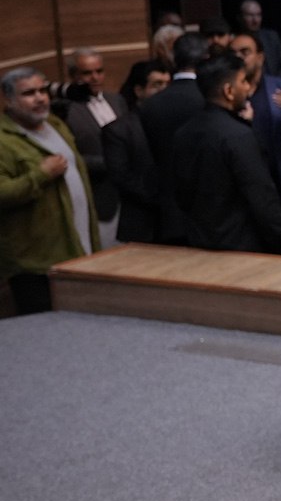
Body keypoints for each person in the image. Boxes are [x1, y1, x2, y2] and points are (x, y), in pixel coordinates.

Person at [167, 54, 281, 254]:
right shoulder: (238, 135)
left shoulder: (183, 133)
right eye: (243, 82)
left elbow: (182, 196)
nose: (248, 88)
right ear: (229, 91)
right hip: (243, 247)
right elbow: (262, 198)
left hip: (199, 244)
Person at [0, 66, 98, 313]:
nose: (40, 98)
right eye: (29, 93)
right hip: (36, 261)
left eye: (43, 90)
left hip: (78, 242)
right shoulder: (4, 141)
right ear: (8, 100)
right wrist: (40, 175)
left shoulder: (55, 124)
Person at [231, 31, 281, 256]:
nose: (239, 57)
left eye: (245, 52)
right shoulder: (229, 94)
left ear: (260, 57)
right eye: (234, 53)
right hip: (249, 193)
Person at [138, 32, 215, 244]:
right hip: (213, 213)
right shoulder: (211, 99)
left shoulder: (151, 105)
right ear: (207, 59)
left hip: (169, 214)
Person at [56, 48, 127, 246]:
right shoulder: (66, 110)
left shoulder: (117, 100)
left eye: (99, 71)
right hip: (97, 196)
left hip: (127, 194)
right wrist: (111, 163)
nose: (95, 78)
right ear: (73, 76)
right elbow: (68, 156)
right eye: (87, 73)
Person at [104, 60, 170, 246]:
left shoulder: (175, 122)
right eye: (157, 84)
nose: (164, 90)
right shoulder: (118, 130)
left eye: (167, 84)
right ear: (139, 90)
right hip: (142, 224)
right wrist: (160, 197)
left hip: (174, 223)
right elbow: (121, 177)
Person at [239, 0, 281, 77]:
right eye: (250, 15)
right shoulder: (236, 41)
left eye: (258, 15)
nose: (255, 20)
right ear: (240, 17)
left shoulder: (271, 37)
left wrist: (278, 84)